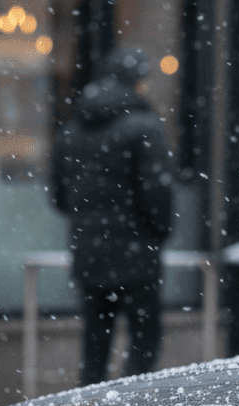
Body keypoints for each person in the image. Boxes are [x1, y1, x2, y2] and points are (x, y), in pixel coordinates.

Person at [51, 47, 175, 386]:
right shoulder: (144, 127)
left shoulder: (72, 129)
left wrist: (91, 222)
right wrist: (158, 231)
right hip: (137, 253)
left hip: (89, 252)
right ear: (137, 82)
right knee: (144, 336)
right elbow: (158, 192)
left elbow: (59, 197)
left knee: (95, 340)